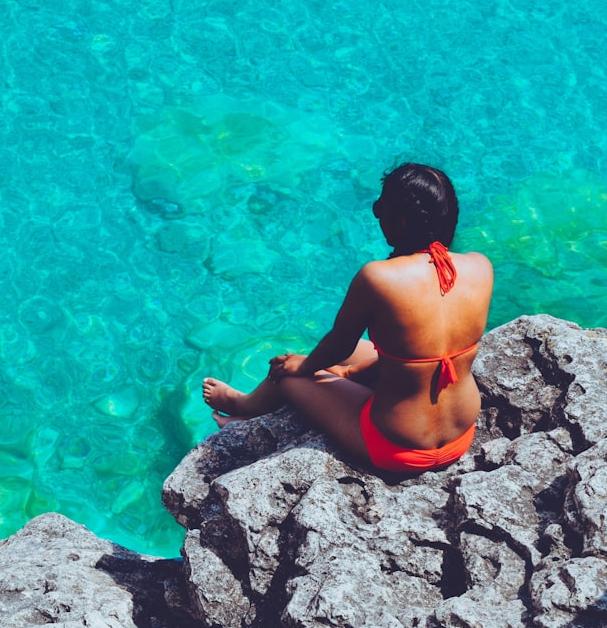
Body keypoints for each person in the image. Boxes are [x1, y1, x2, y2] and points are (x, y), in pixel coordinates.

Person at [203, 163, 493, 473]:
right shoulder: (480, 267)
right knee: (360, 352)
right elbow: (423, 351)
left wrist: (301, 365)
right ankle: (271, 404)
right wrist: (352, 373)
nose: (377, 214)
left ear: (400, 221)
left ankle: (241, 406)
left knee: (286, 373)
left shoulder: (379, 278)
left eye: (380, 207)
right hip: (461, 434)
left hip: (396, 445)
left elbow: (337, 347)